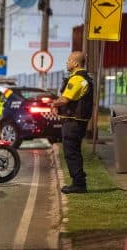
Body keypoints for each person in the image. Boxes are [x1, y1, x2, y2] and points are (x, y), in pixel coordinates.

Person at [52, 51, 93, 194]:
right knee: (74, 151)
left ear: (75, 63)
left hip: (73, 122)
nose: (66, 62)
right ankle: (79, 182)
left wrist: (54, 104)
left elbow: (65, 99)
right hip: (78, 121)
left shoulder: (76, 79)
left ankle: (79, 184)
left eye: (69, 60)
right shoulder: (85, 78)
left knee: (71, 153)